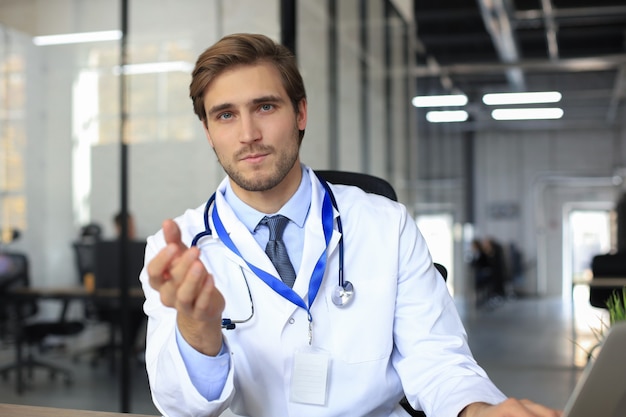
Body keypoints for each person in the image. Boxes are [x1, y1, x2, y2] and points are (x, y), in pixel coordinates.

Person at [140, 33, 561, 417]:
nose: (248, 133)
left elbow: (435, 354)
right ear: (209, 132)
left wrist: (475, 410)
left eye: (265, 107)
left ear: (301, 113)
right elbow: (181, 407)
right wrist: (198, 329)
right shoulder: (177, 252)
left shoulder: (386, 224)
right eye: (226, 115)